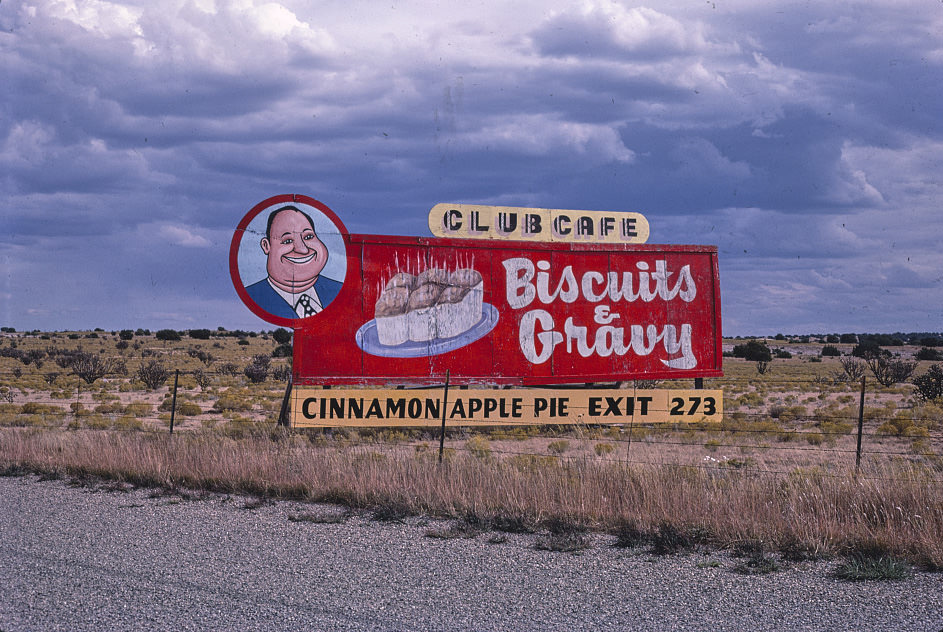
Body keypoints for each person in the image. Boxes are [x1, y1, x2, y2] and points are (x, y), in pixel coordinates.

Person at [245, 206, 343, 319]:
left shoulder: (338, 291)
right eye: (288, 241)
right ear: (266, 246)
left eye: (309, 236)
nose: (302, 249)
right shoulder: (254, 296)